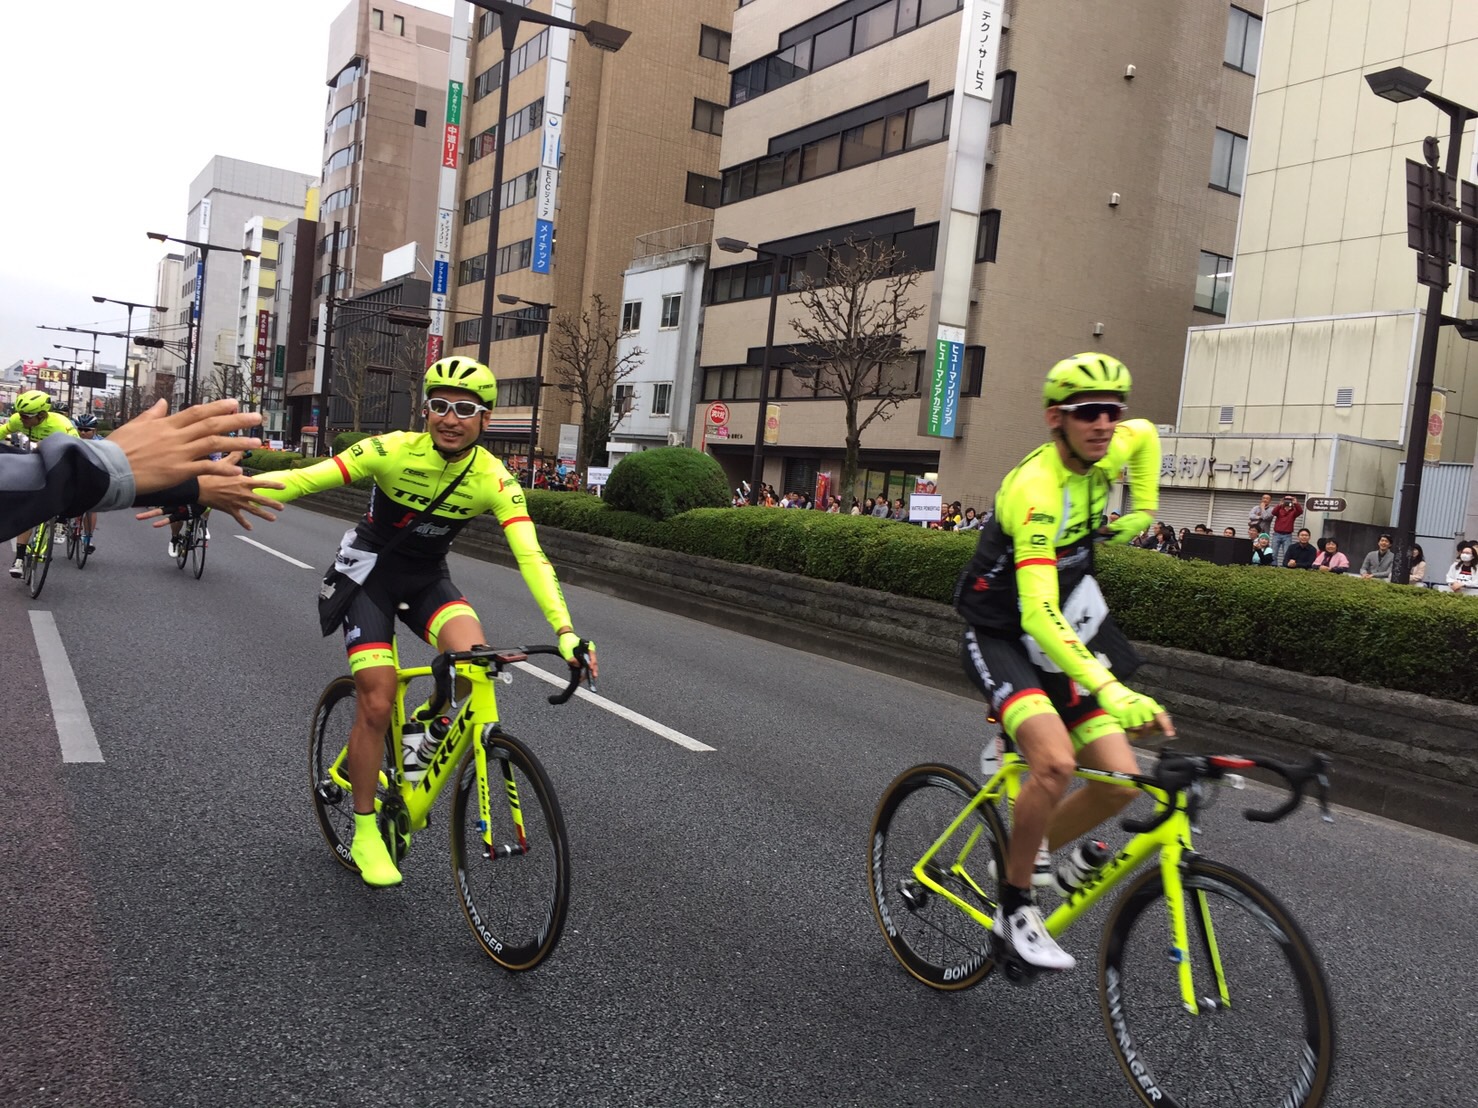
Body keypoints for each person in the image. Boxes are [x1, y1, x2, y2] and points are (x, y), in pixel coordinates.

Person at [252, 357, 590, 888]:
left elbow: (532, 557)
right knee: (378, 697)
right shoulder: (390, 450)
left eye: (465, 409)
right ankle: (365, 830)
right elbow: (303, 480)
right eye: (439, 406)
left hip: (427, 580)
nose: (450, 418)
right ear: (425, 410)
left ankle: (423, 735)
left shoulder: (493, 479)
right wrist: (216, 487)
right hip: (369, 577)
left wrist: (566, 633)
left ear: (486, 420)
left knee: (475, 664)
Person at [955, 352, 1171, 972]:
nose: (1105, 424)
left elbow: (1150, 435)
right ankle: (1014, 909)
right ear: (1057, 418)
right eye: (1087, 413)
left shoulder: (1114, 442)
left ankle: (1026, 845)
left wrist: (1145, 508)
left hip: (1066, 626)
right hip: (1001, 630)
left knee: (1118, 778)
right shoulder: (1036, 488)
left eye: (1112, 411)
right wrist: (1111, 688)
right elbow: (1037, 617)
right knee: (1054, 763)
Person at [4, 399, 282, 552]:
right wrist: (112, 462)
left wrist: (193, 489)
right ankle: (175, 537)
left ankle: (84, 535)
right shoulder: (17, 422)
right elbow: (37, 481)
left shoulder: (61, 425)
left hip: (191, 475)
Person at [6, 390, 79, 577]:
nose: (21, 419)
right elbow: (2, 432)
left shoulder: (61, 424)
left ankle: (62, 518)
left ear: (42, 415)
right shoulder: (17, 420)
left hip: (59, 458)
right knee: (26, 509)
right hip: (34, 459)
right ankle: (20, 559)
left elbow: (78, 450)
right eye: (20, 414)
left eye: (26, 416)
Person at [72, 413, 102, 553]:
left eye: (87, 430)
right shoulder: (71, 438)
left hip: (91, 476)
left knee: (91, 507)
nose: (83, 432)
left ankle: (88, 537)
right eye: (80, 429)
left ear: (94, 430)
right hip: (73, 475)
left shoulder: (102, 443)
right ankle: (63, 522)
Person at [1269, 495, 1303, 566]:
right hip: (1277, 534)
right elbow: (1273, 512)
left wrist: (1296, 503)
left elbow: (1300, 511)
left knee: (1287, 553)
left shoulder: (1293, 512)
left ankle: (1285, 567)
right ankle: (1273, 567)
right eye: (1286, 500)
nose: (1288, 502)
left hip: (1287, 535)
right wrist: (1280, 504)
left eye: (1289, 500)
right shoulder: (1279, 510)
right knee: (1273, 553)